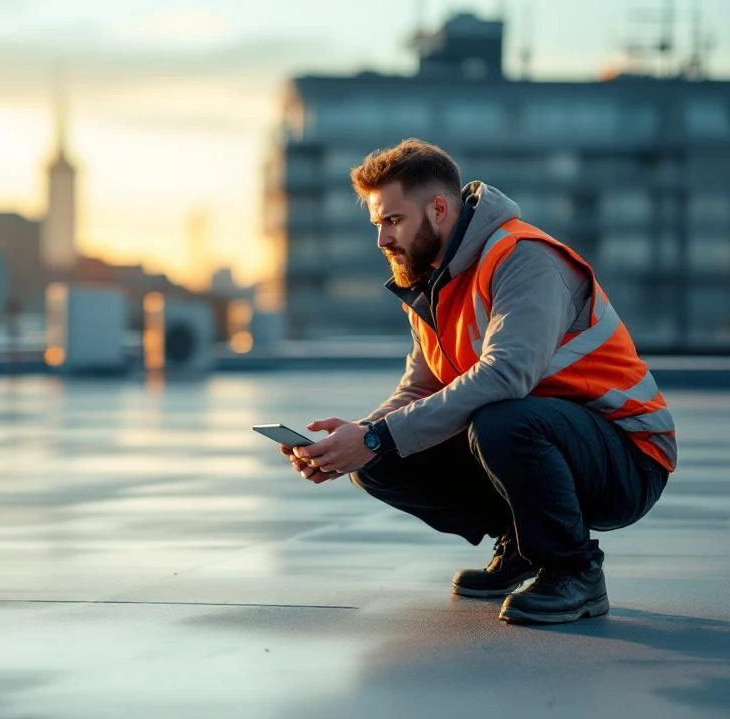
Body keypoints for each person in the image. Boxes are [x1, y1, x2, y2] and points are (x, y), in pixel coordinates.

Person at [281, 138, 675, 625]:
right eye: (377, 224)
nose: (382, 240)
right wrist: (359, 437)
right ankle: (523, 544)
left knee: (502, 419)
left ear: (439, 209)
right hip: (540, 437)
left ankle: (574, 571)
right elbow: (421, 388)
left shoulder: (523, 258)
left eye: (392, 220)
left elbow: (508, 375)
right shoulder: (432, 281)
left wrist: (377, 436)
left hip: (626, 456)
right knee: (380, 462)